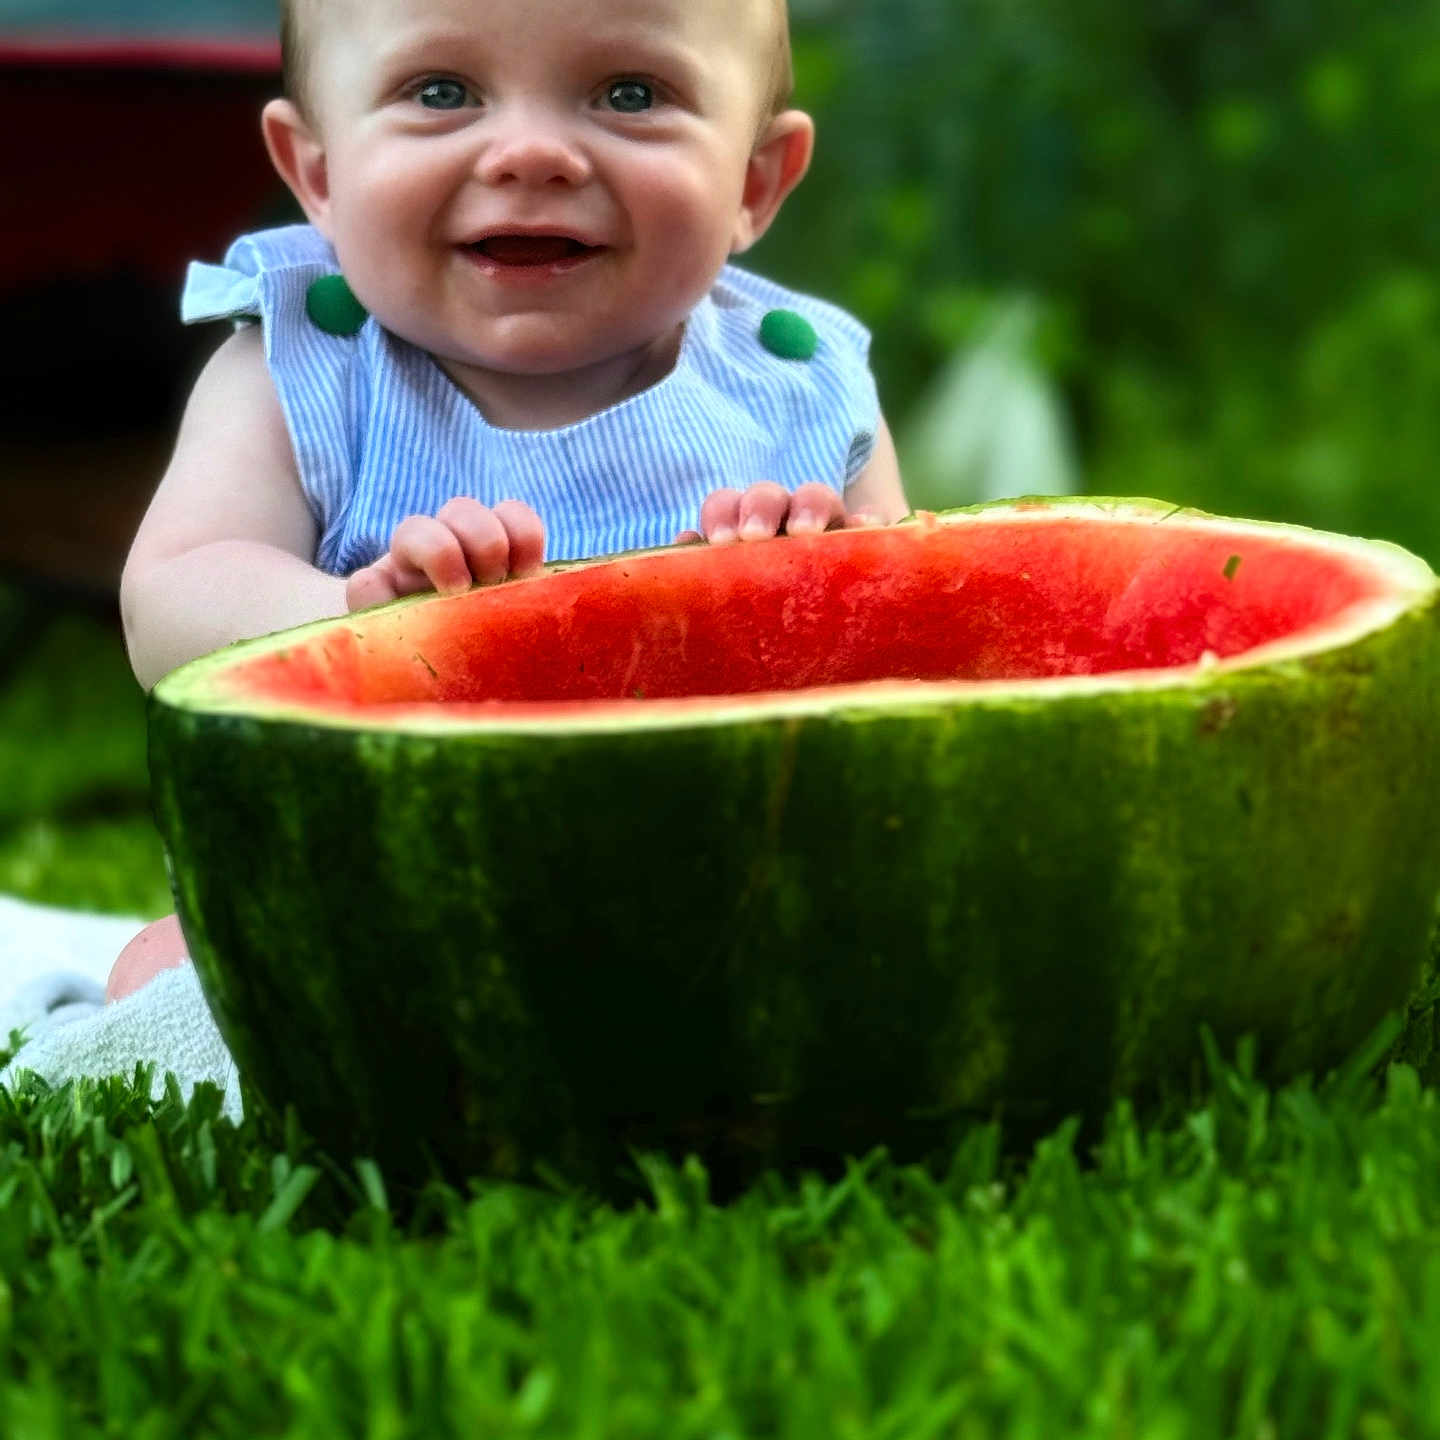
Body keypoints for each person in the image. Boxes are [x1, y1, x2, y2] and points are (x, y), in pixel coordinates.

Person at [108, 0, 908, 1002]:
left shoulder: (803, 386)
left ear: (754, 182)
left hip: (719, 888)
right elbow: (170, 601)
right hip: (365, 890)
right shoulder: (301, 365)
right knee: (180, 986)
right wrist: (359, 621)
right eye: (441, 92)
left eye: (631, 94)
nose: (532, 154)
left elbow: (912, 660)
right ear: (317, 172)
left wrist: (828, 586)